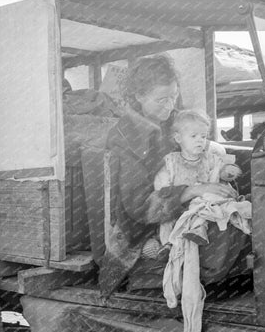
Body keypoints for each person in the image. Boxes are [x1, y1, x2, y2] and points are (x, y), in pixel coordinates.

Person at [98, 54, 250, 298]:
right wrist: (191, 191)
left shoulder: (176, 121)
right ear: (139, 96)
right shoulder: (124, 137)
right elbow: (138, 205)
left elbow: (202, 150)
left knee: (237, 212)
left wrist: (218, 170)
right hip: (143, 226)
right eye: (161, 100)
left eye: (173, 96)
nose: (169, 106)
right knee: (220, 234)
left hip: (185, 205)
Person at [155, 109, 245, 246]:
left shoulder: (210, 159)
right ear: (178, 138)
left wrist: (227, 172)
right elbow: (161, 188)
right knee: (166, 222)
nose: (200, 140)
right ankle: (168, 245)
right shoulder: (171, 162)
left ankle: (198, 233)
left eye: (203, 137)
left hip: (203, 207)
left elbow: (220, 169)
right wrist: (166, 187)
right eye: (193, 136)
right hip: (180, 208)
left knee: (211, 209)